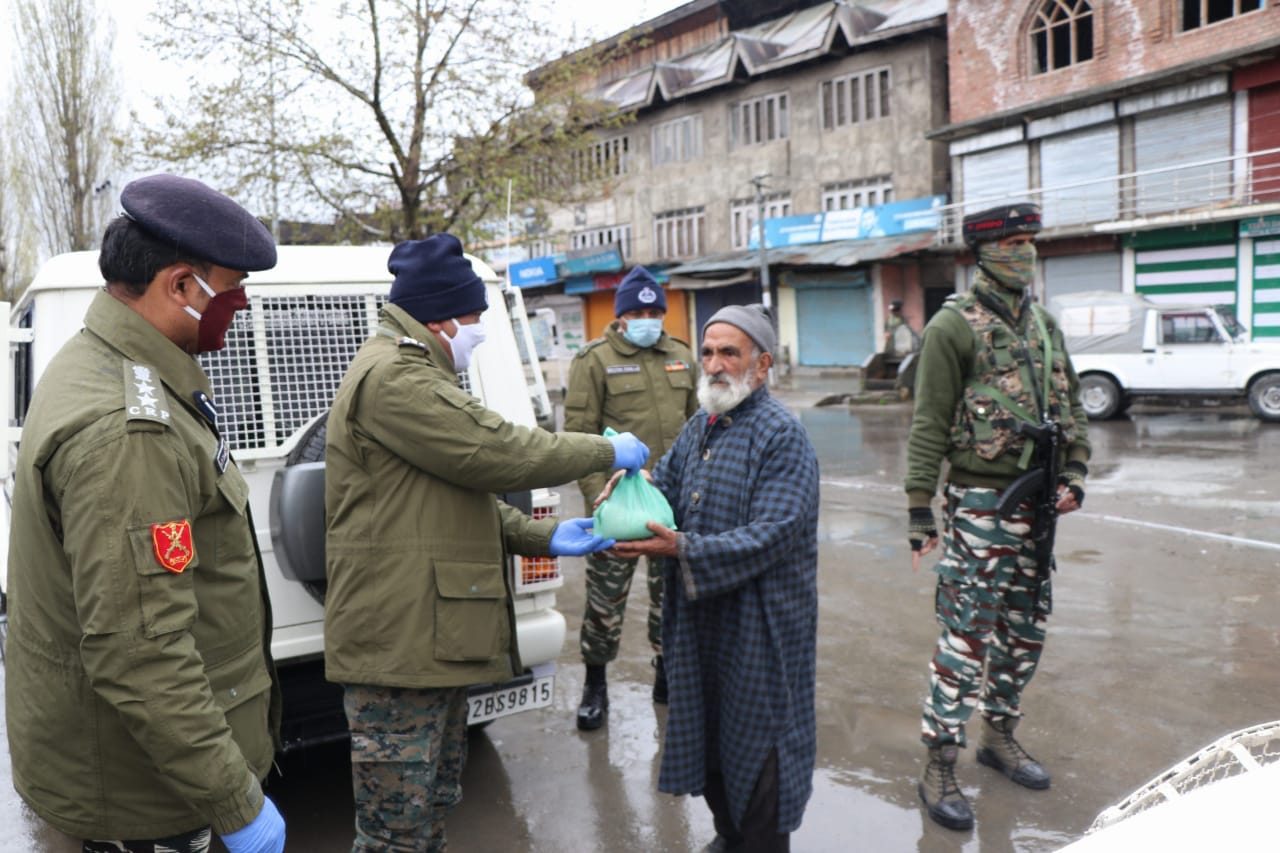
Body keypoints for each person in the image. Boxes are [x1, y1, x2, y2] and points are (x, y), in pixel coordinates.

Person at [322, 233, 649, 852]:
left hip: (425, 643)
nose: (479, 332)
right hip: (400, 647)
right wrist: (608, 449)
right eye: (474, 319)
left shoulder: (418, 370)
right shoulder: (397, 377)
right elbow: (499, 450)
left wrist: (545, 536)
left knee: (427, 814)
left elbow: (452, 500)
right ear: (441, 315)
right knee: (397, 834)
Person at [4, 174, 287, 853]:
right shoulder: (130, 432)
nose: (240, 304)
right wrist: (236, 802)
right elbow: (142, 654)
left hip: (129, 766)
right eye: (232, 285)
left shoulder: (100, 360)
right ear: (181, 286)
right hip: (144, 794)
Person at [905, 202, 1091, 831]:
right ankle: (939, 763)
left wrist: (1075, 474)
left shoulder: (1043, 326)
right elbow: (929, 423)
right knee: (965, 636)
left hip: (1040, 505)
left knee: (1024, 629)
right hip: (980, 506)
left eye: (1031, 241)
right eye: (1013, 241)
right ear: (983, 250)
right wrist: (917, 510)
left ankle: (999, 736)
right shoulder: (951, 327)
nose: (1025, 252)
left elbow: (1070, 408)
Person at [612, 304, 820, 853]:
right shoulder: (700, 426)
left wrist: (680, 547)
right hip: (701, 621)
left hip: (761, 627)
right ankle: (728, 837)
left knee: (759, 753)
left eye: (730, 351)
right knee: (710, 741)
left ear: (762, 362)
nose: (715, 364)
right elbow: (669, 497)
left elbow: (772, 534)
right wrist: (630, 491)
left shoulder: (781, 435)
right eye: (707, 351)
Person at [563, 265, 698, 729]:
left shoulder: (680, 355)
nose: (647, 318)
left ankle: (666, 675)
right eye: (637, 312)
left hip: (669, 508)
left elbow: (698, 427)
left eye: (654, 311)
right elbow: (578, 437)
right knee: (604, 604)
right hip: (615, 508)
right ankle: (595, 684)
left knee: (671, 601)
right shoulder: (594, 360)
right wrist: (596, 501)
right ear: (620, 317)